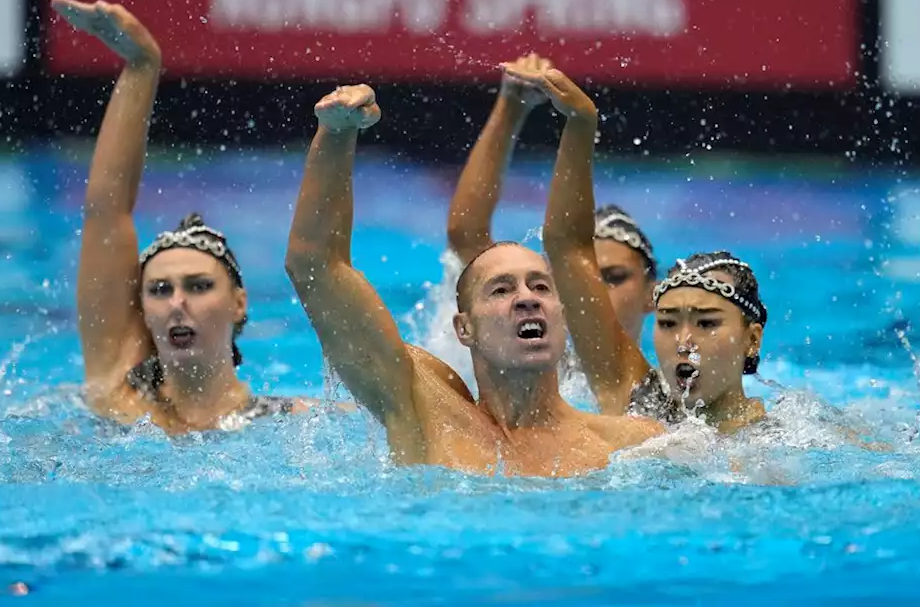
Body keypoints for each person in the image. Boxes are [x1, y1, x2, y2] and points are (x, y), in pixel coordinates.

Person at [284, 82, 663, 477]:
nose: (526, 299)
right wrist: (337, 134)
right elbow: (314, 266)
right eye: (501, 289)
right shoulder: (425, 411)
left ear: (562, 315)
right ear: (464, 328)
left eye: (540, 286)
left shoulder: (633, 444)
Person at [58, 0, 301, 433]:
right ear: (143, 309)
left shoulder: (289, 424)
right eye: (159, 289)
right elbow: (106, 211)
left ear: (239, 303)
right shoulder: (116, 395)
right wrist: (141, 64)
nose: (177, 303)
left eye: (200, 286)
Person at [517, 66, 769, 432]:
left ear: (752, 339)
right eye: (667, 323)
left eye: (707, 323)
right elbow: (567, 248)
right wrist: (581, 125)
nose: (684, 341)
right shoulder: (639, 401)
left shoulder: (792, 440)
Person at [446, 54, 658, 345]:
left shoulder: (669, 383)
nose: (590, 290)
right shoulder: (519, 360)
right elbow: (466, 237)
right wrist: (509, 107)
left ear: (652, 294)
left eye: (613, 278)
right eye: (567, 279)